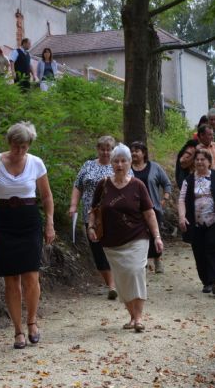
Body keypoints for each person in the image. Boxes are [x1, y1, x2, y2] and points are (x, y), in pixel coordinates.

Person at [0, 122, 55, 349]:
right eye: (15, 146)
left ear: (29, 145)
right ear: (9, 143)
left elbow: (47, 196)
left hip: (30, 220)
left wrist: (50, 223)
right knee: (11, 279)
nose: (19, 151)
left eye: (24, 146)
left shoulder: (36, 163)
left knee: (31, 276)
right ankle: (18, 330)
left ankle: (32, 322)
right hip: (4, 221)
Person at [88, 144, 163, 332]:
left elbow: (149, 213)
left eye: (123, 161)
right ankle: (132, 316)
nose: (119, 164)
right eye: (116, 161)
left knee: (136, 271)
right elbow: (94, 209)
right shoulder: (103, 184)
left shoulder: (137, 185)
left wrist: (157, 236)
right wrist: (90, 226)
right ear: (111, 163)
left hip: (137, 237)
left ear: (130, 163)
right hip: (111, 241)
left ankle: (138, 318)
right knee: (122, 280)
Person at [70, 136, 123, 300]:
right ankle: (111, 285)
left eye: (109, 149)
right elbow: (77, 186)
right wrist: (73, 206)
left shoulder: (119, 165)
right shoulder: (88, 165)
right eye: (102, 149)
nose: (106, 152)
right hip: (90, 214)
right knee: (98, 250)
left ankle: (119, 282)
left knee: (114, 249)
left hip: (114, 215)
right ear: (97, 149)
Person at [178, 148, 215, 296]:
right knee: (199, 251)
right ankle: (206, 282)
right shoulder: (188, 180)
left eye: (203, 159)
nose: (200, 162)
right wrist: (182, 217)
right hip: (195, 221)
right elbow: (182, 199)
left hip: (214, 219)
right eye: (197, 159)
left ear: (209, 162)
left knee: (214, 247)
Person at [130, 141, 172, 273]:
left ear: (144, 153)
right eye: (132, 150)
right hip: (134, 209)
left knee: (155, 234)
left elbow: (166, 183)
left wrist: (164, 198)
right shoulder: (127, 168)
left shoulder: (154, 167)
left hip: (153, 207)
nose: (134, 153)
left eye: (137, 150)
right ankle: (142, 262)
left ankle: (157, 260)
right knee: (138, 236)